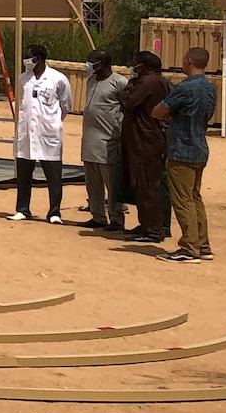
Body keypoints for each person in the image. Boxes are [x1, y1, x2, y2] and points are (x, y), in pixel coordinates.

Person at [154, 47, 217, 262]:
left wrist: (170, 116)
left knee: (182, 200)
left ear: (189, 61)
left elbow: (158, 111)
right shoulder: (210, 88)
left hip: (181, 149)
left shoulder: (185, 88)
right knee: (195, 197)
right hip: (200, 146)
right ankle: (202, 244)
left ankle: (189, 248)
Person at [8, 44, 71, 223]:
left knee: (53, 175)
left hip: (48, 132)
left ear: (39, 59)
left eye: (29, 57)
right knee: (24, 173)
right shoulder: (23, 79)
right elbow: (21, 102)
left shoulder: (58, 79)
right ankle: (23, 209)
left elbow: (66, 104)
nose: (26, 61)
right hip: (26, 132)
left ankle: (54, 213)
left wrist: (53, 121)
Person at [120, 51, 172, 244]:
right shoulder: (156, 81)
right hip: (143, 140)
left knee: (149, 185)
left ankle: (153, 230)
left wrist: (130, 84)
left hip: (147, 141)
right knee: (142, 185)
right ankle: (146, 225)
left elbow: (127, 102)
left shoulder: (148, 82)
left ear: (142, 65)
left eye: (135, 64)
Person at [79, 49, 129, 232]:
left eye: (91, 62)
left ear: (102, 63)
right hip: (90, 140)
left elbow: (127, 107)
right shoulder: (91, 80)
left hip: (109, 140)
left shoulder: (119, 82)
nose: (88, 65)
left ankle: (116, 218)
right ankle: (97, 216)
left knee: (112, 183)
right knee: (93, 183)